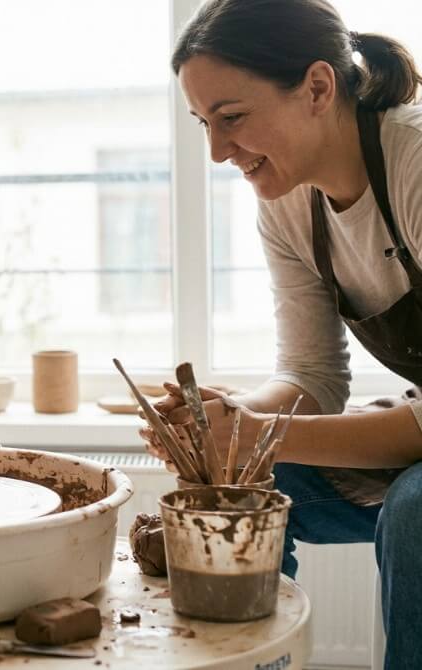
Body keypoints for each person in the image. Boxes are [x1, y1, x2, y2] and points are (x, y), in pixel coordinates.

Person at [145, 1, 422, 667]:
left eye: (232, 118)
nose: (217, 152)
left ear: (318, 88)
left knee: (416, 513)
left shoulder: (415, 163)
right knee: (246, 479)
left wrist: (256, 431)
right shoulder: (288, 200)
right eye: (204, 124)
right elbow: (312, 378)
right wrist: (225, 422)